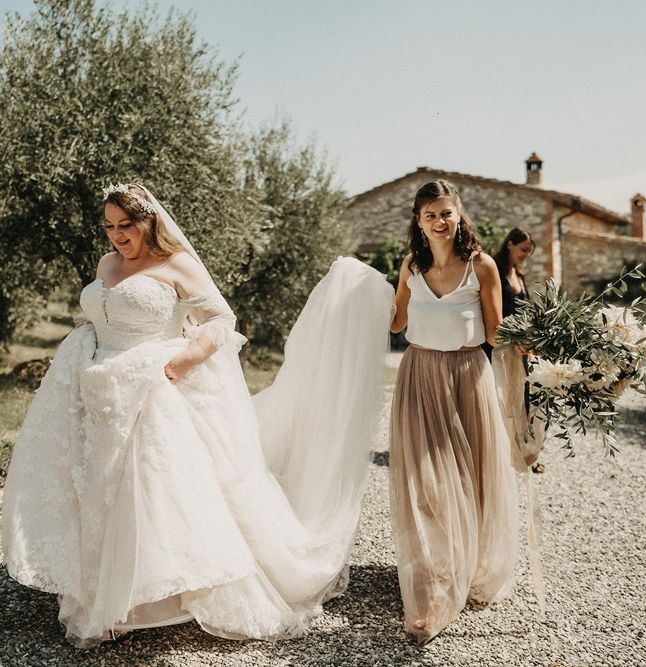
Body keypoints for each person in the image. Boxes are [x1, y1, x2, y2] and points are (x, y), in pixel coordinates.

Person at [2, 183, 393, 647]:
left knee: (141, 488)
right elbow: (101, 313)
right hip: (91, 385)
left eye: (126, 225)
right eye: (109, 226)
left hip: (151, 385)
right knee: (90, 481)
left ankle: (140, 595)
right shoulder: (108, 264)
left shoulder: (177, 265)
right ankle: (95, 590)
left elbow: (219, 320)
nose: (117, 235)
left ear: (149, 221)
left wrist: (183, 360)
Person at [388, 180, 519, 645]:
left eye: (447, 213)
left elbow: (497, 332)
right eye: (431, 215)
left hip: (467, 377)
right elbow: (397, 321)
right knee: (426, 482)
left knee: (471, 478)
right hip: (420, 376)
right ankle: (436, 586)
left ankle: (459, 570)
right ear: (418, 223)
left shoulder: (481, 266)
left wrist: (545, 346)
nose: (441, 222)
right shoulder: (410, 265)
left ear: (459, 215)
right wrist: (358, 302)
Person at [488, 228, 545, 474]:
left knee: (520, 397)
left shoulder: (518, 275)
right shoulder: (495, 273)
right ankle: (495, 451)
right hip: (497, 345)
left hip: (519, 348)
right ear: (509, 244)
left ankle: (519, 450)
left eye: (529, 252)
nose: (526, 255)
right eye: (523, 249)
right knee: (498, 396)